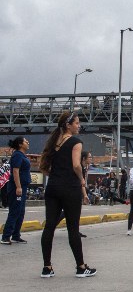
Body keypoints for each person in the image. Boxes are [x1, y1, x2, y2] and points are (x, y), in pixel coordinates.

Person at [39, 112, 96, 278]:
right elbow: (76, 165)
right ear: (68, 125)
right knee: (73, 228)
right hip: (70, 188)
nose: (79, 126)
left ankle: (47, 267)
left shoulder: (53, 142)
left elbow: (44, 167)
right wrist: (82, 180)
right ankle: (80, 267)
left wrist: (56, 176)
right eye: (77, 123)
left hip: (53, 188)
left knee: (49, 227)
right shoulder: (76, 142)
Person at [1, 137, 31, 245]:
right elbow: (15, 171)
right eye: (25, 141)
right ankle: (5, 237)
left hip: (23, 186)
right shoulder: (17, 155)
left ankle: (16, 235)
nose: (28, 142)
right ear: (20, 144)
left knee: (21, 212)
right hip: (16, 187)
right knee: (15, 211)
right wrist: (18, 187)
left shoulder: (22, 155)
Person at [57, 151, 92, 238]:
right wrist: (84, 195)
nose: (91, 159)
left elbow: (82, 184)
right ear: (84, 158)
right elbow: (81, 183)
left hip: (75, 191)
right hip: (72, 192)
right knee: (70, 212)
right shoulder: (78, 167)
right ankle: (51, 225)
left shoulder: (83, 168)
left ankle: (74, 231)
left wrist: (84, 195)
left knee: (71, 213)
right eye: (90, 157)